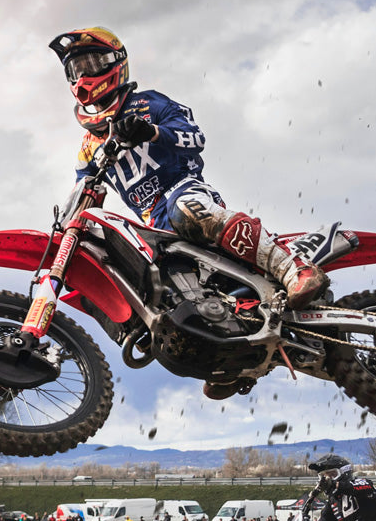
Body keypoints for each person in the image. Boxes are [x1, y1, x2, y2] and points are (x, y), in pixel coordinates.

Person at [48, 26, 329, 400]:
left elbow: (195, 137)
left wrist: (150, 132)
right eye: (75, 69)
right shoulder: (87, 147)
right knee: (150, 285)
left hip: (184, 192)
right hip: (152, 223)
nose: (83, 75)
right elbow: (87, 193)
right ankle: (225, 358)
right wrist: (68, 225)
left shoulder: (148, 104)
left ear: (115, 64)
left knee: (186, 209)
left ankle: (295, 269)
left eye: (91, 63)